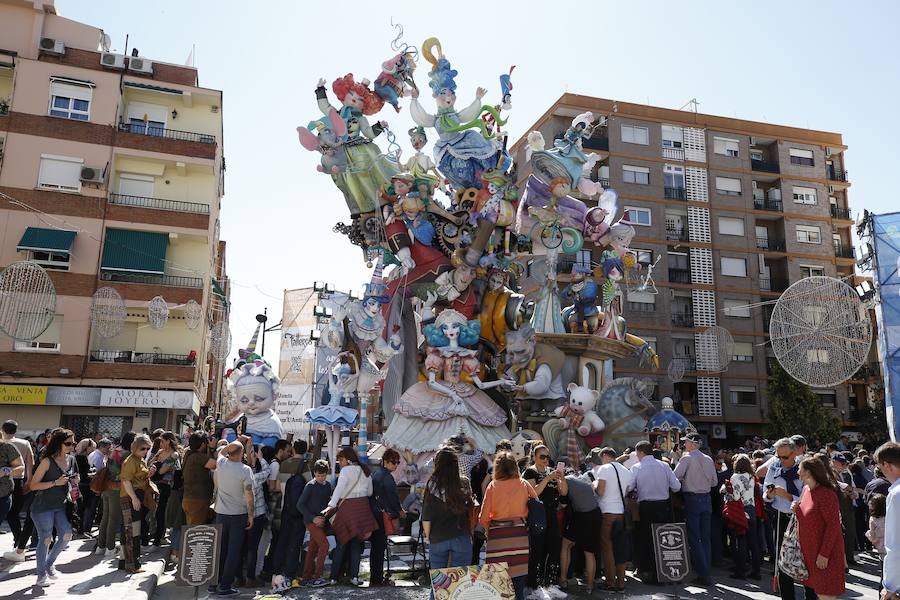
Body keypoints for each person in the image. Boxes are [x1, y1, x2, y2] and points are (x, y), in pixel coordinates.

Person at [480, 451, 536, 600]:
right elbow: (536, 504)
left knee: (496, 587)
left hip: (498, 539)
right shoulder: (523, 484)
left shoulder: (493, 486)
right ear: (515, 466)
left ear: (497, 468)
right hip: (520, 537)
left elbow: (483, 518)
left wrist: (489, 525)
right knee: (518, 585)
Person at [765, 437, 815, 600]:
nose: (781, 460)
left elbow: (808, 498)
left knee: (806, 559)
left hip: (801, 519)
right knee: (782, 561)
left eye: (784, 457)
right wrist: (770, 495)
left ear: (795, 454)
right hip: (780, 517)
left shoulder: (805, 469)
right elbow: (766, 490)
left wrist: (787, 496)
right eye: (778, 456)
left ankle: (811, 596)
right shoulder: (774, 466)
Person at [28, 428, 77, 587]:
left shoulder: (72, 459)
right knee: (46, 539)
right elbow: (33, 485)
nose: (72, 446)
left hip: (61, 505)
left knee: (66, 535)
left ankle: (49, 563)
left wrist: (74, 479)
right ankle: (41, 575)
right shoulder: (47, 461)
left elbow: (73, 477)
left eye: (73, 443)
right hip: (43, 507)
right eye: (68, 443)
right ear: (58, 444)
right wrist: (55, 483)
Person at [423, 448, 476, 588]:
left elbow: (426, 517)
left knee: (439, 586)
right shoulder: (464, 483)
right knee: (459, 586)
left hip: (438, 537)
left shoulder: (432, 485)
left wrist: (429, 537)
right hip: (462, 536)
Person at [793, 456, 845, 600]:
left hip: (824, 555)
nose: (797, 471)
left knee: (825, 595)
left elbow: (834, 526)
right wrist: (796, 508)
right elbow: (808, 517)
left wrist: (825, 554)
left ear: (809, 472)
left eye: (800, 468)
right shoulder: (806, 490)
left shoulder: (827, 494)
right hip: (810, 554)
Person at [631, 439, 681, 584]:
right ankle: (665, 572)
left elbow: (629, 487)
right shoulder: (664, 466)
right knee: (663, 539)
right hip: (663, 506)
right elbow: (676, 486)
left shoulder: (636, 467)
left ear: (640, 452)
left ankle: (648, 572)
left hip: (646, 506)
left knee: (647, 539)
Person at [326, 448, 377, 586]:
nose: (340, 463)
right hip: (362, 508)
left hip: (348, 508)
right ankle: (354, 577)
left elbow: (339, 490)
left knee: (341, 543)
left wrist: (331, 505)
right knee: (356, 544)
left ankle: (333, 577)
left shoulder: (346, 471)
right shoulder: (366, 470)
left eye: (341, 460)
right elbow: (370, 492)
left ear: (347, 459)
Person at [211, 436, 255, 597]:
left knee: (220, 550)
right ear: (241, 452)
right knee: (233, 551)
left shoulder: (221, 463)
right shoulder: (245, 470)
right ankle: (225, 585)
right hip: (238, 514)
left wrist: (235, 441)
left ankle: (213, 583)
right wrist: (251, 515)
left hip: (221, 513)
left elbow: (222, 452)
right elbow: (249, 494)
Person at [673, 432, 718, 586]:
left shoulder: (687, 458)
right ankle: (706, 572)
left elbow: (674, 477)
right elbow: (714, 483)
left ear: (692, 443)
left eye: (686, 442)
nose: (684, 444)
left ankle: (703, 574)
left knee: (695, 538)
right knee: (705, 538)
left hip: (692, 499)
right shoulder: (708, 459)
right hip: (706, 498)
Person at [522, 444, 565, 591]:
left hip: (551, 514)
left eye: (547, 456)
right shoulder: (529, 472)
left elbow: (563, 492)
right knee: (537, 549)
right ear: (534, 457)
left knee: (553, 548)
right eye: (542, 456)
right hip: (537, 515)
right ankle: (533, 584)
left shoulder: (551, 472)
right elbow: (532, 492)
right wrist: (547, 478)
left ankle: (550, 583)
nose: (546, 459)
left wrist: (561, 479)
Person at [592, 446, 634, 593]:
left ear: (604, 456)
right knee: (620, 548)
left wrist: (594, 484)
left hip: (607, 512)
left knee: (608, 548)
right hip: (621, 513)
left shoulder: (604, 469)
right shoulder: (626, 471)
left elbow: (601, 492)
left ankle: (610, 582)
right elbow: (628, 491)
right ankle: (621, 583)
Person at [557, 468, 601, 595]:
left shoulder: (566, 481)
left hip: (581, 516)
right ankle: (589, 587)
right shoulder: (583, 478)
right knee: (589, 553)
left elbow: (563, 502)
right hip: (595, 514)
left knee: (566, 545)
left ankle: (564, 580)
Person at [295, 460, 332, 589]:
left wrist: (324, 519)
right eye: (318, 475)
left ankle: (306, 577)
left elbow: (328, 504)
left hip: (321, 521)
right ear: (314, 473)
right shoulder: (310, 485)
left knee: (312, 549)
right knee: (325, 545)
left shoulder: (328, 486)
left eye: (323, 475)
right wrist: (313, 518)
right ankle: (318, 577)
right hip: (311, 521)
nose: (321, 478)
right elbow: (300, 505)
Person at [239, 441, 271, 587]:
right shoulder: (254, 477)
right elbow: (267, 471)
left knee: (240, 547)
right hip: (256, 516)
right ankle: (250, 577)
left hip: (240, 515)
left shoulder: (239, 475)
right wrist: (261, 458)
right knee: (252, 548)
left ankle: (238, 577)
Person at [120, 433, 153, 574]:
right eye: (142, 448)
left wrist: (150, 473)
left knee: (129, 530)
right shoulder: (130, 461)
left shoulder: (140, 460)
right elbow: (126, 481)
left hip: (135, 495)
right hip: (130, 496)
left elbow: (139, 478)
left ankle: (124, 562)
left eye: (147, 448)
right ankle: (131, 565)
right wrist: (134, 498)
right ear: (135, 448)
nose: (145, 451)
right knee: (132, 531)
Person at [370, 448, 403, 586]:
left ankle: (375, 577)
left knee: (375, 548)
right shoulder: (386, 477)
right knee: (379, 547)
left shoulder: (376, 474)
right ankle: (377, 578)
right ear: (385, 462)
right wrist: (399, 511)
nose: (395, 465)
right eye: (393, 462)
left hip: (374, 513)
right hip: (382, 515)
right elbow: (393, 497)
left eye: (397, 462)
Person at [99, 432, 134, 558]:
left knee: (106, 517)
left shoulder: (114, 451)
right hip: (116, 489)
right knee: (113, 518)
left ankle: (101, 546)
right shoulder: (127, 454)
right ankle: (110, 548)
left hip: (107, 487)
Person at [728, 453, 762, 580]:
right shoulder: (751, 476)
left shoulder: (734, 477)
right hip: (751, 509)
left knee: (741, 540)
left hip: (740, 510)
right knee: (753, 541)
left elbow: (735, 497)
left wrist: (726, 492)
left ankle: (740, 571)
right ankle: (756, 571)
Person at [1, 420, 30, 563]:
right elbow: (30, 463)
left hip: (9, 483)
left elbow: (23, 465)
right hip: (19, 480)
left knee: (10, 512)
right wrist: (29, 481)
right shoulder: (25, 443)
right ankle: (18, 539)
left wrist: (6, 471)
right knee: (14, 514)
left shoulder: (6, 446)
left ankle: (19, 540)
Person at [874, 442, 899, 600]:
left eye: (880, 467)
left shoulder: (896, 495)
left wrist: (889, 586)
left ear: (887, 465)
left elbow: (895, 545)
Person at [182, 432, 215, 525]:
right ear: (203, 444)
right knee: (196, 532)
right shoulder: (197, 457)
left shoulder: (189, 454)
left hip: (190, 499)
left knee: (193, 529)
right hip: (197, 500)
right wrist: (212, 448)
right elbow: (216, 465)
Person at [831, 453, 859, 566]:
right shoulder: (830, 475)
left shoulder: (847, 474)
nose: (844, 465)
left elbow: (854, 491)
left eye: (844, 463)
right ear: (833, 462)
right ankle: (840, 560)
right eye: (841, 463)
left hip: (848, 507)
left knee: (850, 532)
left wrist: (853, 494)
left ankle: (849, 557)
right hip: (836, 508)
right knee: (838, 535)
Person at [866, 493, 886, 559]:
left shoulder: (873, 519)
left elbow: (872, 535)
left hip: (881, 546)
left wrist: (868, 535)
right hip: (891, 543)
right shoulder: (889, 516)